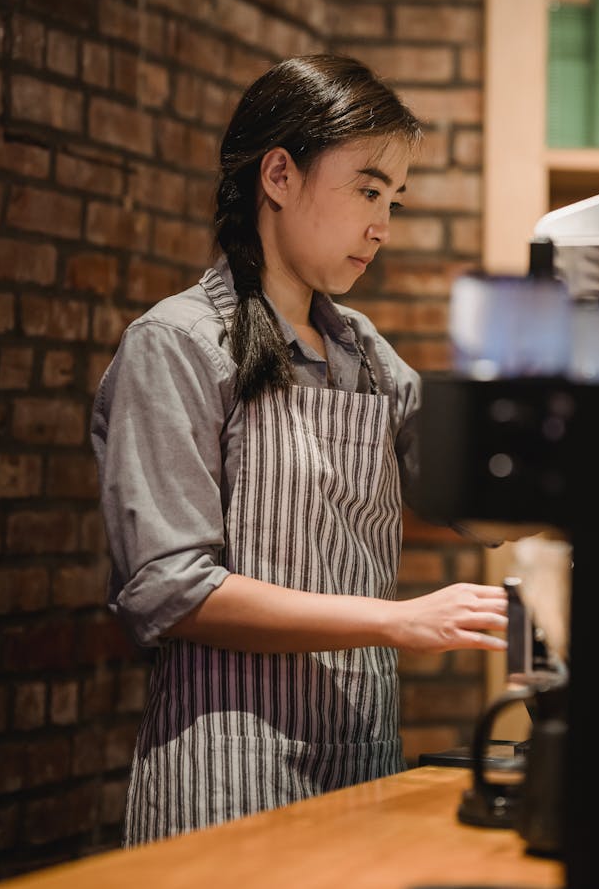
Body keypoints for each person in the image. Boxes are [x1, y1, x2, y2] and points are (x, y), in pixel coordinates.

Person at [91, 54, 508, 846]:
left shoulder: (366, 353)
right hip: (224, 785)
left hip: (362, 771)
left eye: (394, 199)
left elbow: (473, 488)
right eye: (367, 189)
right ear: (279, 175)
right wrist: (395, 620)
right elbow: (172, 589)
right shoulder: (176, 343)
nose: (383, 224)